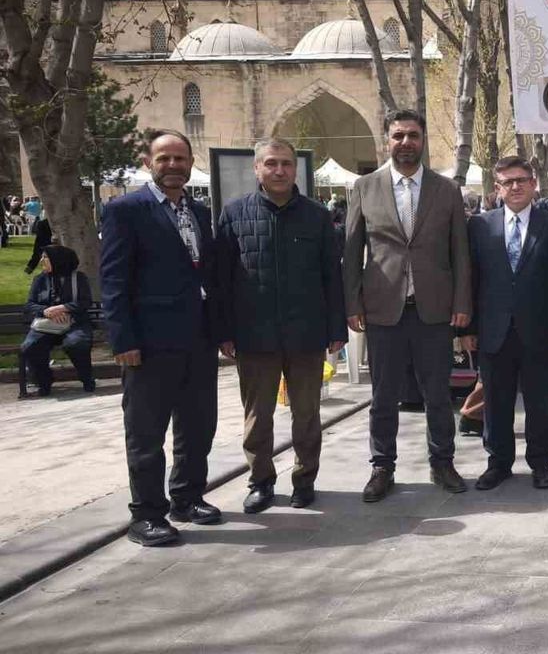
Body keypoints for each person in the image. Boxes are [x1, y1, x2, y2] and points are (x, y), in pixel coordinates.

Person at [100, 129, 222, 546]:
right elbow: (113, 281)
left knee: (198, 426)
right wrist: (123, 340)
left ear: (190, 163)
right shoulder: (125, 211)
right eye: (164, 158)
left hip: (198, 340)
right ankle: (146, 514)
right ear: (148, 162)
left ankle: (187, 498)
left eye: (180, 158)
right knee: (146, 433)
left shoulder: (199, 211)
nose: (173, 165)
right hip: (149, 343)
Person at [344, 110, 472, 501]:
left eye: (412, 135)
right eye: (398, 135)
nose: (405, 142)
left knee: (438, 395)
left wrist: (462, 302)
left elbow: (460, 252)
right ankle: (382, 466)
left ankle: (442, 462)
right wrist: (352, 303)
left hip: (434, 310)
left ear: (422, 140)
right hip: (383, 310)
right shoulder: (364, 187)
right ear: (387, 140)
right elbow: (352, 251)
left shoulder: (446, 190)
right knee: (383, 396)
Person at [217, 138, 347, 513]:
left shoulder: (317, 216)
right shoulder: (234, 214)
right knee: (258, 417)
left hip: (306, 333)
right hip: (254, 335)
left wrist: (336, 329)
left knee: (306, 415)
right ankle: (261, 481)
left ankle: (304, 481)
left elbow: (331, 276)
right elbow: (222, 279)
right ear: (257, 168)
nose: (279, 171)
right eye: (271, 163)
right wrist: (224, 331)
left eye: (286, 164)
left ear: (295, 169)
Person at [459, 156, 548, 490]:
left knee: (539, 402)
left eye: (521, 180)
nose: (515, 187)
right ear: (497, 188)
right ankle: (498, 464)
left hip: (540, 331)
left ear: (534, 184)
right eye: (507, 182)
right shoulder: (480, 226)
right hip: (493, 332)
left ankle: (541, 463)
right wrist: (467, 329)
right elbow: (471, 279)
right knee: (496, 403)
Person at [22, 245, 95, 395]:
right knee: (30, 346)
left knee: (77, 344)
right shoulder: (40, 279)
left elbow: (85, 302)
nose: (41, 261)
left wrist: (64, 308)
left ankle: (87, 379)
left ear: (57, 260)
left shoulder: (78, 278)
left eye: (45, 257)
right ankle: (43, 382)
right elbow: (30, 305)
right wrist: (47, 311)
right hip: (46, 325)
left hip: (74, 323)